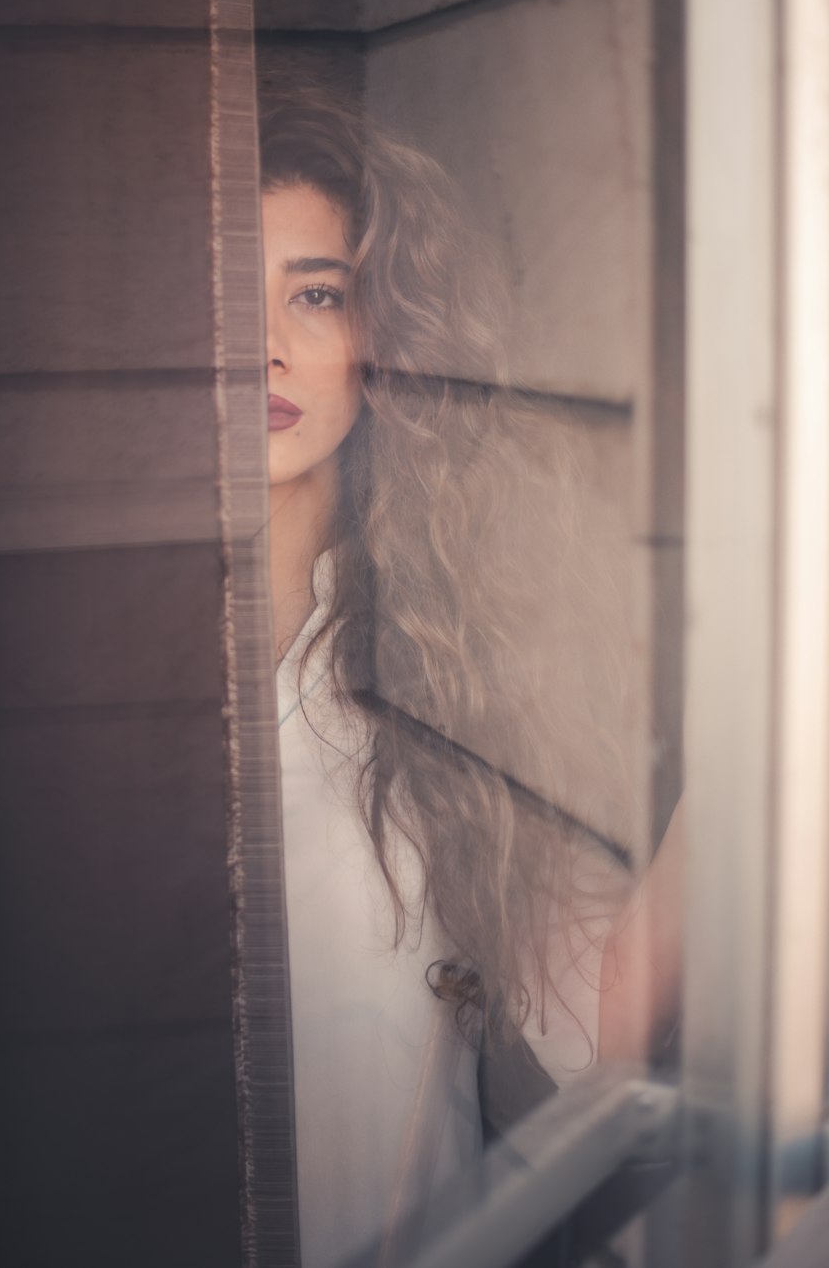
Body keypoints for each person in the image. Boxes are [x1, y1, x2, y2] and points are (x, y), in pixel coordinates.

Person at [260, 83, 667, 1268]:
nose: (263, 343)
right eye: (220, 291)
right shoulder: (61, 672)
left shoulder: (444, 669)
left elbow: (610, 1011)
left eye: (317, 294)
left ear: (377, 337)